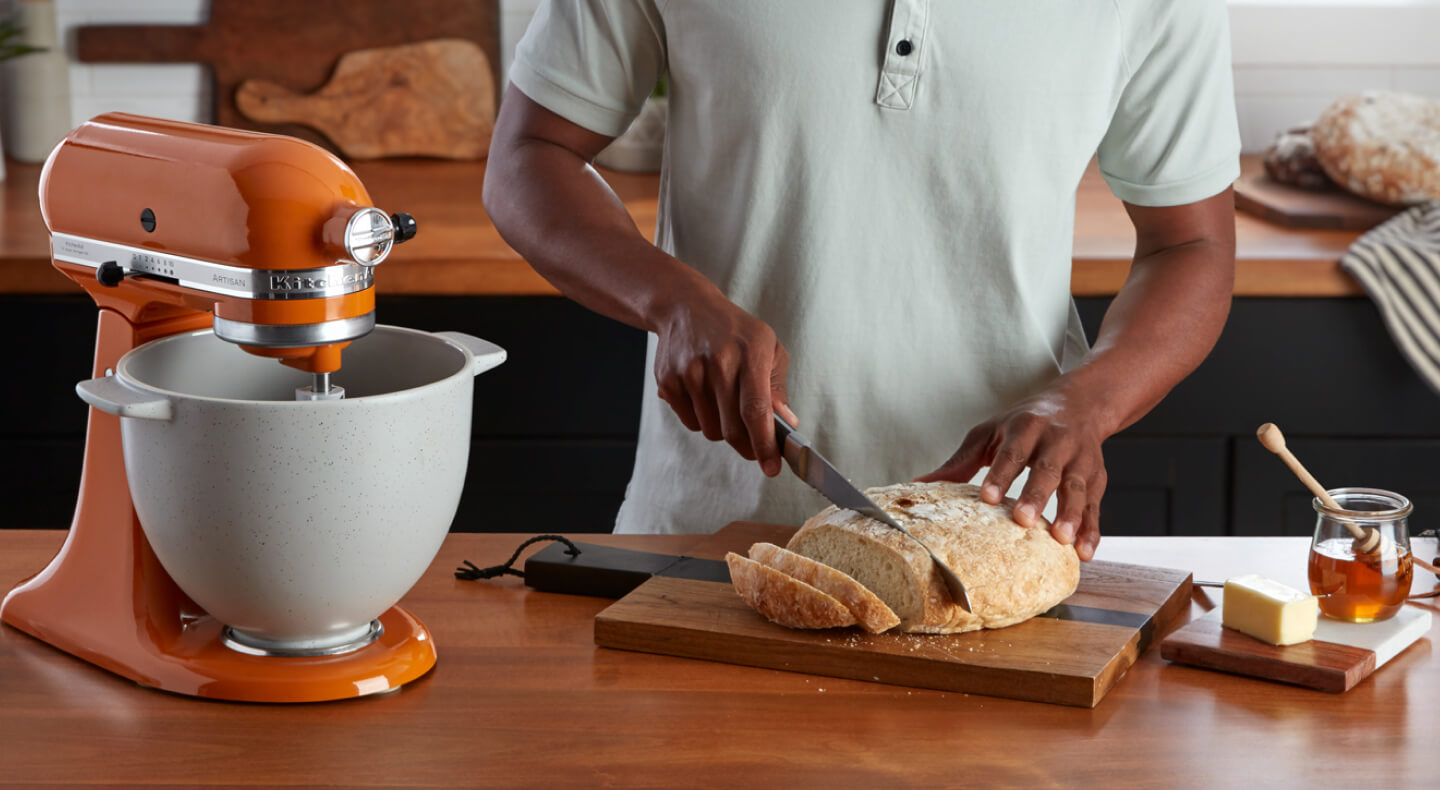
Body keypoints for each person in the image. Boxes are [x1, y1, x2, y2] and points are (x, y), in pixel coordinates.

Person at [483, 1, 1240, 561]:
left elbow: (1192, 243)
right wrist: (675, 301)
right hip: (709, 539)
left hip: (996, 546)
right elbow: (530, 153)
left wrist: (1089, 400)